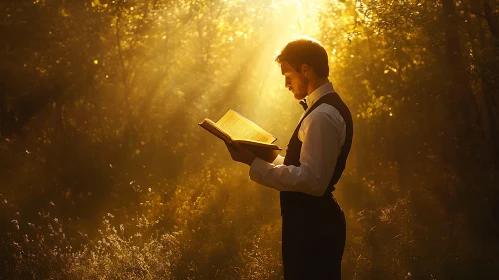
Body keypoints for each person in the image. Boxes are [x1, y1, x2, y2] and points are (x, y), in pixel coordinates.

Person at [225, 37, 353, 280]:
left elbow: (313, 181)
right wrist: (264, 157)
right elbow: (306, 168)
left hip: (314, 228)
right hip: (310, 224)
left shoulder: (322, 116)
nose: (286, 84)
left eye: (288, 75)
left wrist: (254, 164)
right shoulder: (321, 110)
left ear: (306, 69)